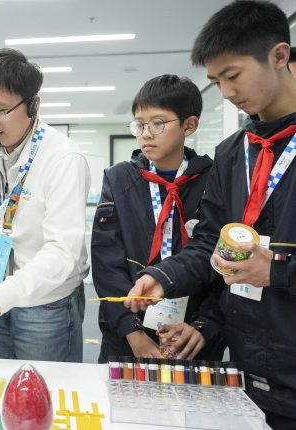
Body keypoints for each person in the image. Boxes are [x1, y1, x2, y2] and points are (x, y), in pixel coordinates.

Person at [125, 2, 296, 428]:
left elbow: (271, 266)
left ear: (279, 56)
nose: (225, 92)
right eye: (216, 80)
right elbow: (210, 242)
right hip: (247, 359)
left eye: (233, 76)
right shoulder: (233, 151)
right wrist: (163, 276)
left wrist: (278, 269)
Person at [0, 48, 90, 362]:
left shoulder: (63, 158)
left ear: (33, 105)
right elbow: (2, 219)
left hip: (44, 306)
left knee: (43, 396)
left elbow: (64, 253)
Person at [91, 74, 226, 362]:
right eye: (139, 124)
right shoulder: (119, 179)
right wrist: (132, 333)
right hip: (126, 334)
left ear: (189, 125)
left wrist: (203, 326)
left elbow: (220, 260)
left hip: (191, 336)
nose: (146, 133)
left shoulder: (214, 180)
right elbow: (106, 262)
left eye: (158, 123)